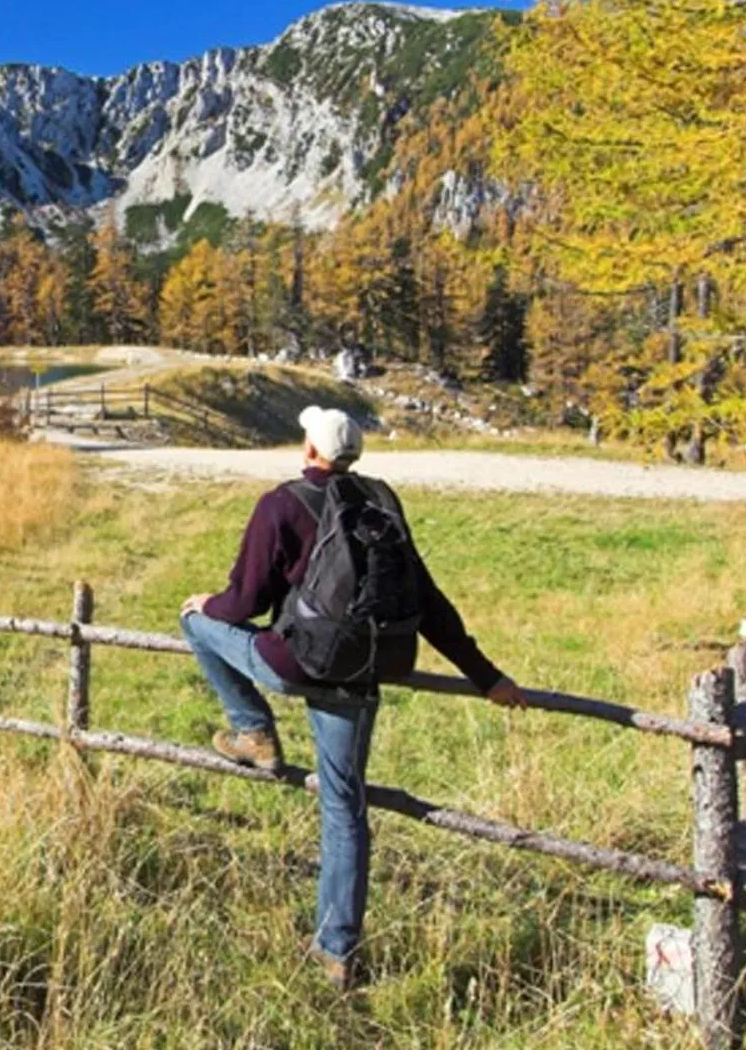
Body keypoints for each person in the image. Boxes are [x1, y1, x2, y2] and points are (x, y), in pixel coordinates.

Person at [179, 404, 528, 989]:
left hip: (296, 664)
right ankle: (337, 951)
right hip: (363, 670)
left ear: (310, 449)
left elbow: (244, 605)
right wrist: (486, 676)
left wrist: (203, 604)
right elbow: (430, 602)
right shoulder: (381, 503)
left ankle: (253, 731)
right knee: (344, 810)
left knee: (195, 625)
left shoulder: (282, 503)